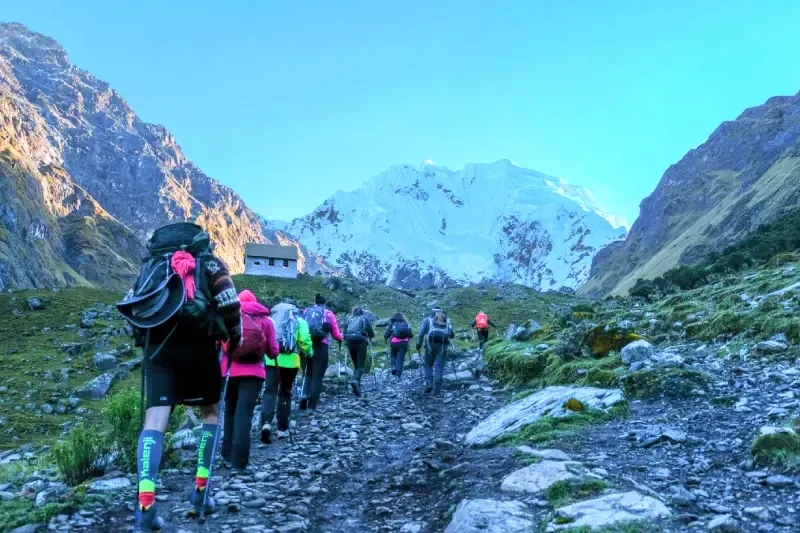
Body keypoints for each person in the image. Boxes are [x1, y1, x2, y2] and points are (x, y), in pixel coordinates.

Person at [120, 224, 242, 532]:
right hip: (201, 349)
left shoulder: (152, 267)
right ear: (200, 243)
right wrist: (234, 337)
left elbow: (136, 306)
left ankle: (146, 505)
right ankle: (201, 492)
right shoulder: (210, 263)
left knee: (155, 420)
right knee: (211, 413)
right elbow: (229, 303)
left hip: (159, 352)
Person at [219, 290, 278, 473]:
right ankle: (239, 462)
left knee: (229, 413)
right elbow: (273, 351)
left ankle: (226, 455)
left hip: (229, 372)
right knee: (244, 415)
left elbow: (221, 343)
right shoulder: (265, 320)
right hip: (254, 375)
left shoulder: (229, 317)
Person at [261, 302, 312, 443]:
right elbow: (305, 341)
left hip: (272, 359)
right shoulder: (300, 321)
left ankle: (265, 423)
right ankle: (282, 429)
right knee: (285, 392)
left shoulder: (272, 320)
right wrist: (309, 353)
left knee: (269, 391)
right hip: (291, 361)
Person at [300, 294, 342, 412]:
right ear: (325, 302)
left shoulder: (306, 311)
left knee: (307, 373)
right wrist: (341, 338)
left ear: (315, 302)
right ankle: (312, 405)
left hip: (306, 345)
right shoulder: (328, 313)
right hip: (321, 346)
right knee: (317, 376)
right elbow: (335, 334)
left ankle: (304, 395)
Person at [416, 309, 454, 395]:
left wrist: (419, 344)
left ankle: (429, 385)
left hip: (430, 346)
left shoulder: (428, 320)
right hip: (442, 348)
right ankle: (437, 389)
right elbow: (452, 335)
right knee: (439, 366)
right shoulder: (446, 321)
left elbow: (421, 333)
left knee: (428, 364)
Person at [344, 306, 375, 396]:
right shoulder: (365, 319)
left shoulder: (349, 320)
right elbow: (371, 334)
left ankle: (357, 389)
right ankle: (355, 381)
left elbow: (344, 333)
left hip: (350, 342)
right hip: (361, 342)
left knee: (356, 365)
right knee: (361, 366)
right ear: (362, 312)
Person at [384, 312, 413, 378]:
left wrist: (386, 337)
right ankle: (398, 375)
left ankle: (393, 367)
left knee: (393, 356)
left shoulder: (392, 324)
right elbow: (411, 334)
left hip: (394, 342)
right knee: (400, 358)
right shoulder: (406, 324)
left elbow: (386, 335)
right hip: (404, 343)